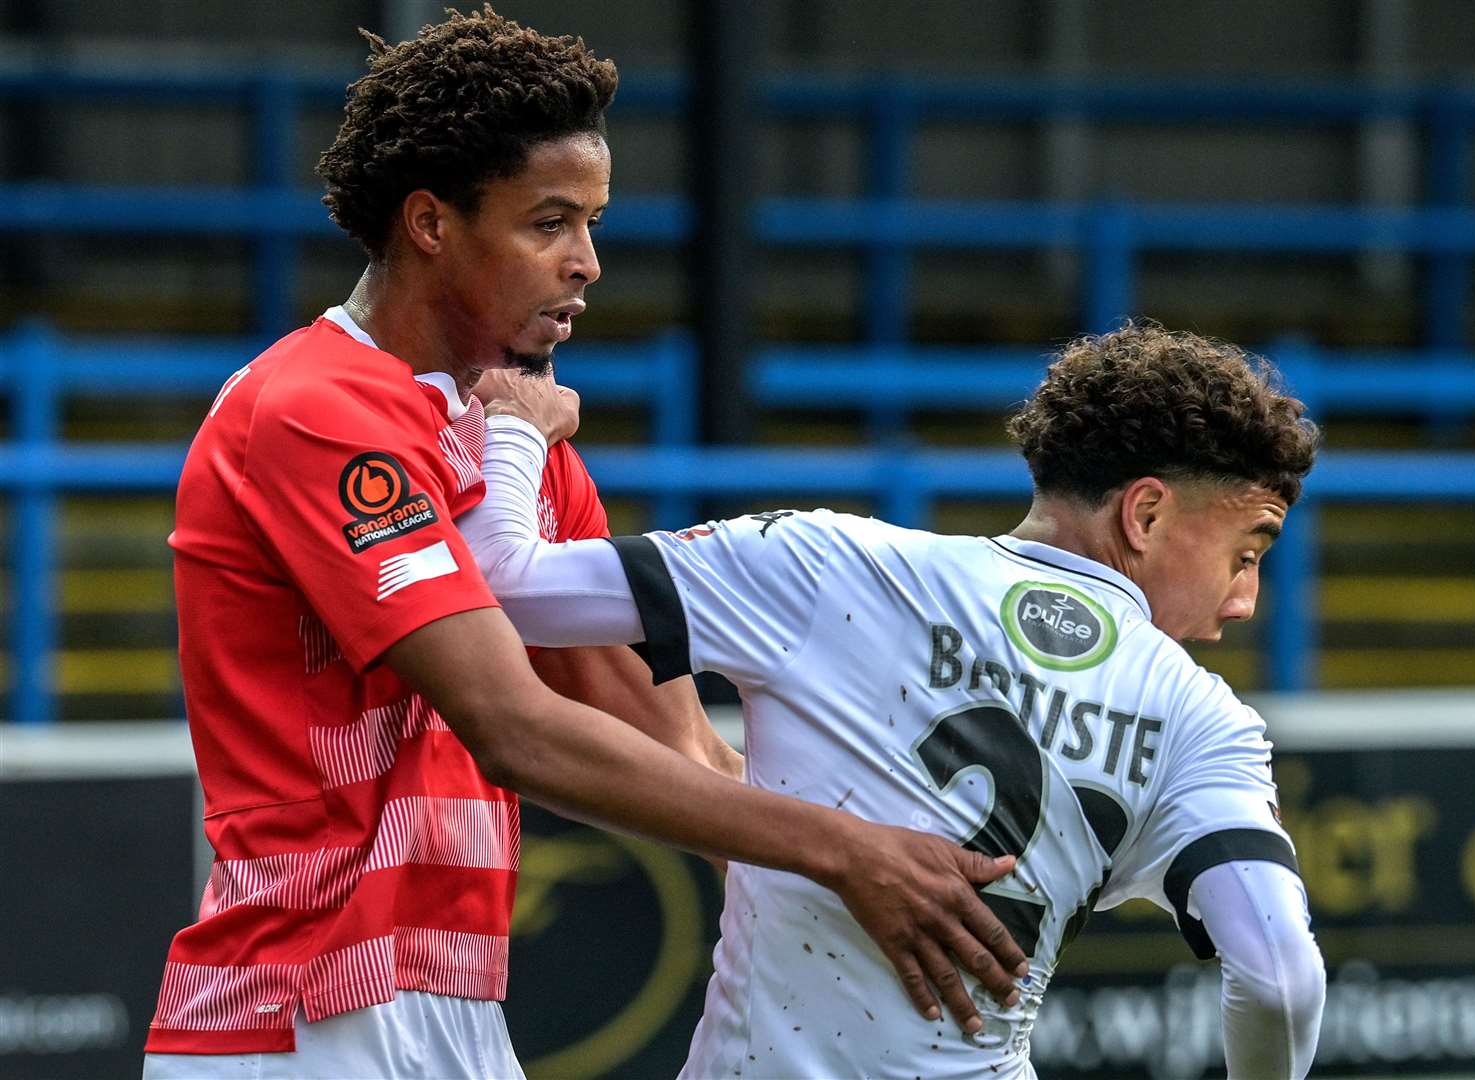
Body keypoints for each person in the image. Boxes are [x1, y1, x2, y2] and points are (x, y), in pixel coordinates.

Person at [142, 10, 1028, 1079]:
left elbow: (678, 747)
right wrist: (849, 855)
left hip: (452, 1008)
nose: (588, 264)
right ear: (431, 223)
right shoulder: (312, 408)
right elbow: (513, 728)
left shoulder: (521, 440)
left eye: (594, 223)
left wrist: (914, 864)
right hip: (296, 1013)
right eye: (549, 223)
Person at [461, 322, 1329, 1079]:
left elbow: (504, 586)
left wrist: (514, 428)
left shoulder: (830, 564)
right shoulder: (1205, 721)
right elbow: (1279, 977)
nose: (1241, 601)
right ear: (1143, 514)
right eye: (1246, 553)